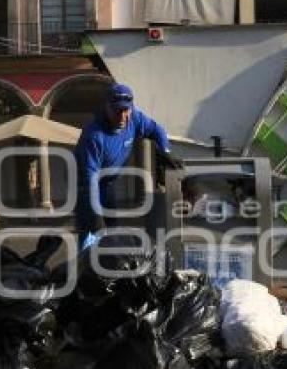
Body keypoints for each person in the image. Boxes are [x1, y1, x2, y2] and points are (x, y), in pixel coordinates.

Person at [30, 83, 181, 264]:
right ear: (107, 108)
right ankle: (84, 267)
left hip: (108, 180)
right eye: (117, 111)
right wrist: (95, 213)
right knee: (90, 226)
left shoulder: (135, 119)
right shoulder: (94, 135)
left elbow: (156, 130)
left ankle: (111, 264)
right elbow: (90, 179)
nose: (123, 116)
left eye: (126, 110)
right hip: (83, 180)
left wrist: (165, 151)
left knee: (113, 223)